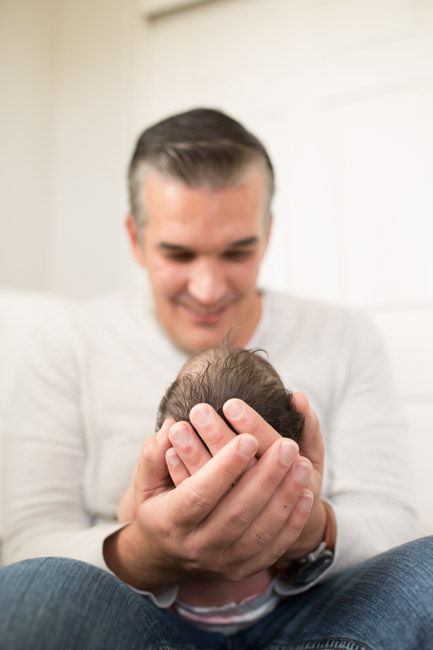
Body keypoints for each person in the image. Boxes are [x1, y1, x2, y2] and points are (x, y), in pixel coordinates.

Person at [0, 107, 431, 650]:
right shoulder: (66, 343)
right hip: (138, 622)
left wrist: (308, 528)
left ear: (267, 234)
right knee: (25, 592)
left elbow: (393, 523)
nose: (207, 289)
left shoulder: (346, 335)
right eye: (178, 253)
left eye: (237, 251)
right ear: (136, 239)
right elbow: (30, 542)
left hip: (316, 623)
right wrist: (145, 548)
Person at [117, 343, 306, 630]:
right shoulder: (285, 482)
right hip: (272, 612)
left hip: (176, 619)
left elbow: (126, 517)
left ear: (167, 434)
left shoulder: (160, 477)